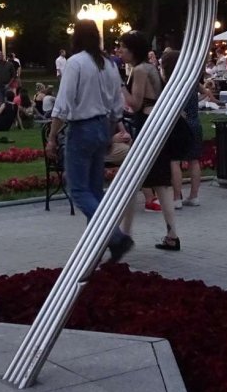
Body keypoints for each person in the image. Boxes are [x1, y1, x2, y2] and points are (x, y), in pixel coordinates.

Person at [45, 19, 132, 263]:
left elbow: (63, 103)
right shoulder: (109, 64)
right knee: (94, 190)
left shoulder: (76, 63)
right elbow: (117, 104)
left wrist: (52, 137)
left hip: (82, 128)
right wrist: (111, 130)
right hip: (103, 125)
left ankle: (115, 236)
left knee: (79, 190)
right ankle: (95, 246)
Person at [120, 30, 180, 251]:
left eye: (123, 47)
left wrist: (120, 87)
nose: (120, 51)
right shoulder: (150, 67)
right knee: (160, 183)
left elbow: (135, 103)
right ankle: (172, 234)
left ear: (133, 50)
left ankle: (125, 236)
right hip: (157, 125)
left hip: (147, 127)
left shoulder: (139, 70)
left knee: (129, 181)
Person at [162, 50, 203, 207]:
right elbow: (204, 92)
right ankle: (194, 196)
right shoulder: (191, 80)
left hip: (179, 124)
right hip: (195, 122)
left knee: (174, 161)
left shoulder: (173, 83)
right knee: (194, 160)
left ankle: (176, 197)